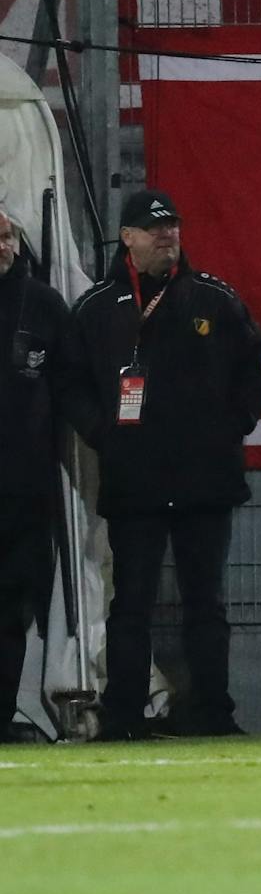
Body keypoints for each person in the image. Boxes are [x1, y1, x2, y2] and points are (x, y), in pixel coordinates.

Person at [64, 190, 261, 740]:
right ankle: (123, 716)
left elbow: (259, 364)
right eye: (154, 228)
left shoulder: (214, 299)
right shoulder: (97, 307)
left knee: (206, 603)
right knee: (131, 603)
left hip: (207, 479)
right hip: (134, 480)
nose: (167, 235)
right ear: (127, 237)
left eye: (173, 226)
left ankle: (213, 713)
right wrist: (102, 432)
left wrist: (235, 423)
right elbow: (70, 381)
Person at [0, 196, 70, 740]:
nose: (2, 247)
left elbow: (72, 386)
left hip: (23, 488)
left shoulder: (43, 305)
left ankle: (2, 715)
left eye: (7, 237)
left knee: (12, 605)